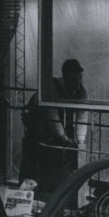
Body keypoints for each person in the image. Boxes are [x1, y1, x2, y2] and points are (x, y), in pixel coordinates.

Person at [20, 59, 88, 196]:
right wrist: (64, 138)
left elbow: (82, 116)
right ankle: (28, 195)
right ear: (65, 76)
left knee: (59, 162)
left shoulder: (81, 91)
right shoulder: (51, 87)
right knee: (34, 162)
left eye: (80, 78)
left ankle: (54, 194)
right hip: (37, 127)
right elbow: (52, 117)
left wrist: (80, 141)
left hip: (56, 128)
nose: (78, 82)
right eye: (74, 79)